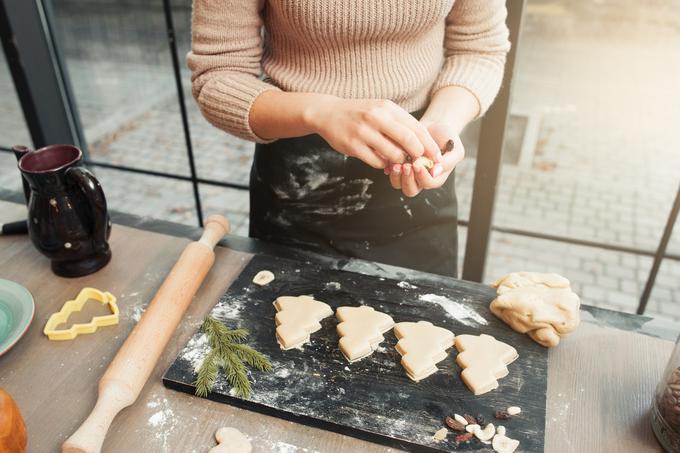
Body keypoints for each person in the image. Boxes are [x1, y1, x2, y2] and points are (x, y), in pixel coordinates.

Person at [189, 0, 510, 278]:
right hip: (297, 176)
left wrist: (442, 122)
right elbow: (218, 76)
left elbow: (479, 47)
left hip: (418, 163)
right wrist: (322, 112)